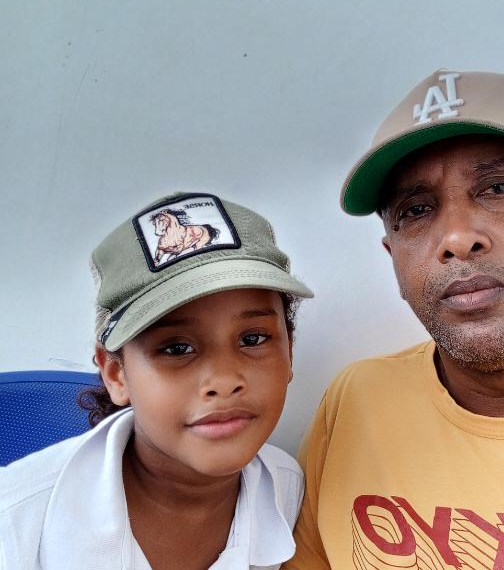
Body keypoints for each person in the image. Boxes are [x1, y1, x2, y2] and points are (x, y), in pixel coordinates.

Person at [285, 70, 504, 570]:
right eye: (415, 210)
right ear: (393, 257)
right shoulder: (357, 405)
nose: (456, 238)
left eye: (498, 188)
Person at [0, 191, 313, 570]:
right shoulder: (14, 526)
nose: (224, 380)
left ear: (289, 350)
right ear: (116, 373)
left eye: (253, 339)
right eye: (177, 348)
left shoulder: (289, 491)